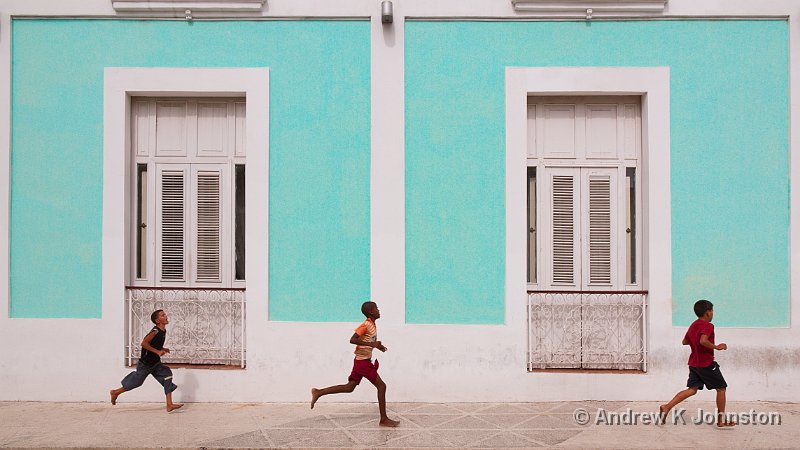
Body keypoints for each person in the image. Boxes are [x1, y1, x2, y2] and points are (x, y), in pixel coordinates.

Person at [310, 301, 399, 427]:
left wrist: (378, 346)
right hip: (363, 363)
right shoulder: (366, 325)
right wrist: (372, 345)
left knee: (349, 387)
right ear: (371, 312)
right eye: (376, 308)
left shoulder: (372, 325)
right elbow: (353, 339)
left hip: (360, 361)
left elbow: (367, 340)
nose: (379, 310)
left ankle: (318, 392)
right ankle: (383, 419)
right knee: (382, 387)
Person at [660, 299, 734, 427]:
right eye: (712, 311)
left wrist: (695, 340)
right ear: (708, 312)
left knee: (692, 390)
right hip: (706, 364)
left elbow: (684, 341)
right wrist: (717, 347)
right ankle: (721, 421)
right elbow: (703, 341)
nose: (712, 313)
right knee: (721, 388)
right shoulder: (708, 326)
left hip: (694, 364)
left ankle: (667, 406)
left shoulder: (693, 325)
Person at [110, 309, 183, 412]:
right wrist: (158, 352)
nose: (166, 316)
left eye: (165, 314)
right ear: (157, 321)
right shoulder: (155, 331)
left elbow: (155, 344)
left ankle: (169, 404)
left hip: (155, 363)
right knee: (137, 382)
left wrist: (162, 349)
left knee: (167, 375)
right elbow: (144, 343)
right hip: (146, 364)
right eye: (163, 315)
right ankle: (115, 392)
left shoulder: (163, 331)